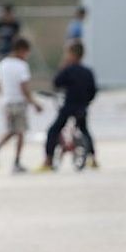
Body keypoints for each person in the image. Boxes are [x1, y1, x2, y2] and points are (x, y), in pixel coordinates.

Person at [38, 41, 98, 172]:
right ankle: (93, 159)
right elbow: (93, 91)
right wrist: (86, 102)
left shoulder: (68, 70)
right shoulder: (88, 72)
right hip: (82, 107)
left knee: (53, 130)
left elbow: (57, 82)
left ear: (72, 54)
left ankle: (48, 160)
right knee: (85, 130)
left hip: (69, 106)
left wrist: (63, 66)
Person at [0, 37, 42, 173]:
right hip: (19, 102)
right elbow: (24, 88)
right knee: (20, 133)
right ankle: (16, 162)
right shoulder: (22, 66)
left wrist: (3, 97)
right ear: (22, 50)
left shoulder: (2, 64)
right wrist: (35, 103)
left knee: (12, 130)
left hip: (6, 102)